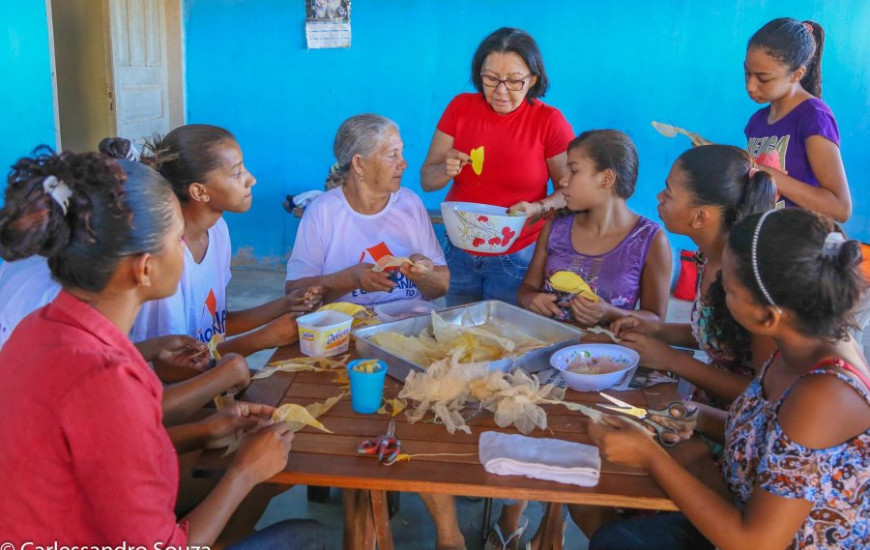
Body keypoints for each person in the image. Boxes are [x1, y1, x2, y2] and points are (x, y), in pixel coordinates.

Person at [0, 149, 324, 547]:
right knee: (308, 535)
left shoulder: (40, 328)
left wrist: (202, 431)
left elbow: (103, 444)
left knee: (259, 474)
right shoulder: (104, 380)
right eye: (176, 240)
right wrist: (244, 472)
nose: (183, 251)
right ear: (144, 268)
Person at [589, 208, 870, 550]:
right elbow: (772, 438)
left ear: (767, 317)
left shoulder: (824, 394)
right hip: (742, 505)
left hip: (759, 539)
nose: (722, 296)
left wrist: (648, 455)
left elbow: (755, 543)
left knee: (616, 538)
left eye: (729, 291)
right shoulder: (797, 345)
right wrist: (699, 417)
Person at [133, 124, 323, 365]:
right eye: (236, 173)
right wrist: (262, 339)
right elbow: (168, 370)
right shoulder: (167, 258)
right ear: (199, 191)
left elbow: (217, 322)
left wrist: (287, 303)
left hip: (208, 376)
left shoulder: (217, 231)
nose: (251, 179)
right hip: (170, 386)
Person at [610, 145, 778, 407]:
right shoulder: (707, 258)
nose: (659, 196)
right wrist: (656, 330)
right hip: (703, 406)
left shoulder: (753, 283)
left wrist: (672, 360)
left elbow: (767, 395)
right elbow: (716, 336)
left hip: (738, 419)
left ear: (700, 217)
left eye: (668, 192)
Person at [421, 27, 573, 306]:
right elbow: (427, 180)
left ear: (533, 79)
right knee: (457, 327)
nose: (501, 91)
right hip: (459, 250)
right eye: (491, 79)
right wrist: (445, 169)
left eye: (514, 81)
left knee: (507, 330)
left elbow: (570, 192)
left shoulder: (549, 122)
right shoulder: (460, 108)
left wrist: (536, 208)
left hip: (518, 255)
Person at [285, 114, 448, 307]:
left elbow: (442, 286)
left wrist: (426, 275)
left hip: (411, 322)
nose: (404, 164)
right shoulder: (323, 211)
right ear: (359, 164)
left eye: (402, 153)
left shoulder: (410, 203)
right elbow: (294, 294)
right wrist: (350, 279)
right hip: (349, 323)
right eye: (392, 155)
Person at [518, 130, 671, 327]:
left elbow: (656, 321)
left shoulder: (650, 240)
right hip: (545, 341)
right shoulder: (556, 228)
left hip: (604, 347)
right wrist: (530, 299)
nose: (563, 181)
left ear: (606, 178)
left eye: (574, 171)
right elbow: (527, 288)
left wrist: (610, 313)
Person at [744, 18, 850, 221]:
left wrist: (762, 170)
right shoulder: (756, 121)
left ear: (796, 74)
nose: (750, 85)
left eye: (763, 78)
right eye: (747, 73)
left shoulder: (814, 117)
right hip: (763, 236)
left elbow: (840, 208)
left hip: (797, 239)